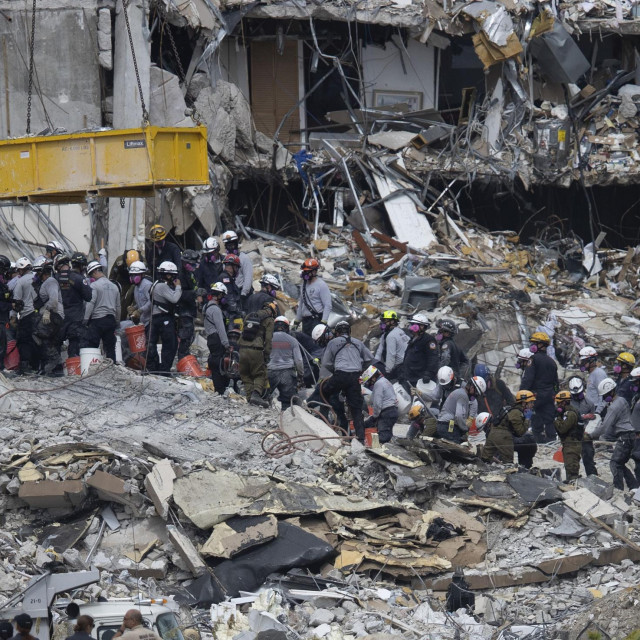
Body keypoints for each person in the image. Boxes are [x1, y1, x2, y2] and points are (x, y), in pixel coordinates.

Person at [320, 320, 373, 442]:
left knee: (325, 392)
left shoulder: (333, 342)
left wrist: (335, 372)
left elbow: (326, 363)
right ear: (349, 332)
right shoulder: (358, 343)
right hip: (355, 377)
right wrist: (361, 370)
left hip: (340, 374)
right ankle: (360, 439)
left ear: (337, 332)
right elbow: (369, 359)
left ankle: (324, 423)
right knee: (356, 409)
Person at [591, 377, 638, 490]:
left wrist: (590, 435)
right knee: (620, 463)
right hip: (631, 435)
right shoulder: (622, 400)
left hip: (625, 437)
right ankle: (633, 486)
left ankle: (618, 489)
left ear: (612, 391)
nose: (604, 398)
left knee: (615, 463)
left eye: (605, 395)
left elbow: (604, 427)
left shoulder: (614, 407)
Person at [521, 331, 558, 443]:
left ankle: (538, 441)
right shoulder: (552, 362)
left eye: (534, 343)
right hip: (549, 395)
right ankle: (551, 440)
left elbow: (528, 379)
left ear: (541, 345)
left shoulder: (533, 359)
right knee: (549, 419)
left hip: (536, 395)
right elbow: (556, 383)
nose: (532, 345)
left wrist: (522, 394)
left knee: (536, 418)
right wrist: (555, 394)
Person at [238, 300, 277, 407]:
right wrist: (266, 355)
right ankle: (256, 394)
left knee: (245, 374)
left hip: (242, 348)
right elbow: (268, 340)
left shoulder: (249, 315)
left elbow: (242, 332)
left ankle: (250, 398)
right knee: (259, 374)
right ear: (272, 312)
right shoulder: (269, 320)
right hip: (256, 350)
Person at [482, 390, 535, 464]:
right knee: (509, 463)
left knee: (484, 459)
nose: (532, 405)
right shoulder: (516, 412)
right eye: (531, 402)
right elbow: (520, 432)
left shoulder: (512, 409)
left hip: (492, 433)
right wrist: (527, 419)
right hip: (503, 436)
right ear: (523, 403)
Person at [147, 261, 182, 375]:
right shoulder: (162, 286)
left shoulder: (157, 284)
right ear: (168, 275)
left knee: (153, 344)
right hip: (163, 318)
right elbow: (174, 299)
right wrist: (178, 287)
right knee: (170, 344)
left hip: (157, 318)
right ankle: (163, 370)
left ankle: (156, 368)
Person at [83, 261, 120, 362]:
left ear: (95, 272)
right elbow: (118, 306)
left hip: (97, 321)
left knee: (92, 346)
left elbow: (91, 303)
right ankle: (112, 369)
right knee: (110, 348)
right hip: (111, 320)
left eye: (91, 275)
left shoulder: (94, 286)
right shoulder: (114, 286)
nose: (92, 278)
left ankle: (93, 367)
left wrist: (85, 319)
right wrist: (117, 321)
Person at [56, 253, 92, 359]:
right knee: (75, 343)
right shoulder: (79, 279)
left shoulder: (55, 278)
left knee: (56, 343)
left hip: (59, 316)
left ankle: (56, 370)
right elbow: (88, 296)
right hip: (75, 317)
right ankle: (73, 369)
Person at [268, 316, 304, 410]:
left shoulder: (267, 339)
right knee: (288, 401)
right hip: (287, 373)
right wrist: (300, 375)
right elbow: (299, 361)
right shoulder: (292, 340)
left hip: (271, 371)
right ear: (287, 327)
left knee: (265, 396)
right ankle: (285, 418)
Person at [436, 376, 485, 444]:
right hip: (448, 426)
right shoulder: (463, 396)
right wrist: (465, 429)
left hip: (443, 424)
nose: (475, 395)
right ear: (471, 387)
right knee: (456, 447)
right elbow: (459, 416)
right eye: (476, 392)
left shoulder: (459, 392)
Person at [36, 260, 64, 375]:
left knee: (38, 334)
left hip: (53, 314)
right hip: (54, 314)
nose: (36, 275)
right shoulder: (47, 282)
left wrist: (47, 311)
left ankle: (55, 361)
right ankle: (55, 369)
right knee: (52, 340)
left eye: (38, 272)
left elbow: (53, 299)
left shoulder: (50, 281)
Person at [399, 313, 439, 393]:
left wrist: (428, 373)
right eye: (412, 324)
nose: (412, 326)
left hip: (419, 378)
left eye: (415, 325)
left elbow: (433, 358)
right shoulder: (413, 339)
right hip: (409, 377)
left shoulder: (428, 340)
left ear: (422, 327)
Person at [203, 282, 230, 395]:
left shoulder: (206, 306)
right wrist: (226, 344)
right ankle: (220, 390)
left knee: (214, 362)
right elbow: (221, 328)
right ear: (219, 296)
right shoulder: (216, 310)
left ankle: (218, 389)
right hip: (217, 338)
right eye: (223, 296)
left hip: (210, 338)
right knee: (219, 364)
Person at [568, 376, 598, 477]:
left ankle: (592, 477)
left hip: (585, 436)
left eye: (579, 394)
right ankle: (572, 479)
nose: (577, 397)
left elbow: (594, 422)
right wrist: (582, 417)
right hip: (572, 436)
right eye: (574, 395)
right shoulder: (568, 404)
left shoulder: (589, 404)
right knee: (572, 461)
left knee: (588, 458)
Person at [12, 257, 38, 374]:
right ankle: (36, 366)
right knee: (37, 340)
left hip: (26, 315)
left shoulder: (20, 281)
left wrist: (13, 316)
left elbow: (16, 301)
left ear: (21, 269)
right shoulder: (38, 277)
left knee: (24, 341)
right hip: (38, 314)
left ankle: (25, 366)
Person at [361, 365, 398, 443]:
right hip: (393, 410)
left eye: (369, 382)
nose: (370, 384)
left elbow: (377, 403)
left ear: (373, 378)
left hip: (386, 412)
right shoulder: (385, 381)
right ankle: (388, 448)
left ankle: (381, 452)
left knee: (383, 436)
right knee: (387, 432)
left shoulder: (378, 384)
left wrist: (374, 416)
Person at [294, 258, 331, 336]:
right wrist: (297, 321)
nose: (305, 273)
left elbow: (327, 305)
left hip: (316, 320)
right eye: (304, 271)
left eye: (307, 271)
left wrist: (323, 322)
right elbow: (301, 304)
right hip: (305, 321)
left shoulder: (321, 285)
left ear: (314, 271)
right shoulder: (303, 285)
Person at [554, 390, 583, 482]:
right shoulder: (568, 413)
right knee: (569, 468)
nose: (557, 406)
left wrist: (557, 418)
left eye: (558, 403)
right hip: (569, 444)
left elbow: (562, 428)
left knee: (572, 470)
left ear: (563, 402)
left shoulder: (570, 414)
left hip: (572, 445)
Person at [177, 250, 200, 361]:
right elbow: (180, 294)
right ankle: (182, 357)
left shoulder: (190, 273)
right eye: (191, 264)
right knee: (186, 334)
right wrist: (195, 293)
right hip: (183, 309)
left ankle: (184, 355)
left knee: (190, 334)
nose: (193, 266)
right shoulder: (180, 275)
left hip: (189, 308)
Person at [222, 230, 254, 308]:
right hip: (231, 293)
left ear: (236, 244)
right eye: (228, 246)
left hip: (242, 293)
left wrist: (243, 294)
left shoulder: (244, 258)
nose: (230, 248)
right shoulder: (226, 259)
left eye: (232, 245)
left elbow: (248, 277)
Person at [109, 249, 143, 320]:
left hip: (137, 282)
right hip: (123, 281)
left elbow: (147, 276)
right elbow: (112, 276)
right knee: (122, 302)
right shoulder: (119, 261)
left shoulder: (143, 262)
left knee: (137, 299)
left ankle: (135, 317)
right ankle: (121, 319)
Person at [374, 311, 409, 381]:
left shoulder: (391, 336)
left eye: (385, 321)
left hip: (398, 368)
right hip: (404, 365)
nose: (382, 323)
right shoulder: (398, 332)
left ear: (392, 321)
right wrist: (374, 363)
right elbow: (379, 350)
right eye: (382, 321)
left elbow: (391, 355)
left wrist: (387, 372)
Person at [216, 254, 243, 326]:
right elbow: (229, 296)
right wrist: (238, 311)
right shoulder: (225, 278)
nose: (237, 270)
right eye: (236, 267)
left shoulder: (228, 278)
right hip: (228, 313)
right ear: (232, 266)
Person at [579, 346, 607, 411]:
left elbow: (604, 396)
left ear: (592, 360)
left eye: (584, 361)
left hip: (597, 408)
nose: (582, 364)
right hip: (591, 408)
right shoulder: (591, 373)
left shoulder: (598, 374)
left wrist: (598, 412)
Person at [127, 262, 153, 331]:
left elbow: (151, 301)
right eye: (132, 275)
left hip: (150, 321)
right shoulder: (136, 287)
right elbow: (141, 302)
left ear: (142, 274)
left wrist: (140, 310)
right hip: (143, 321)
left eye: (135, 275)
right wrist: (134, 308)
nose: (133, 278)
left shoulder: (147, 285)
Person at [0, 256, 14, 370]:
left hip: (3, 318)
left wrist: (13, 302)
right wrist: (11, 305)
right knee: (1, 344)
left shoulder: (3, 282)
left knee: (3, 343)